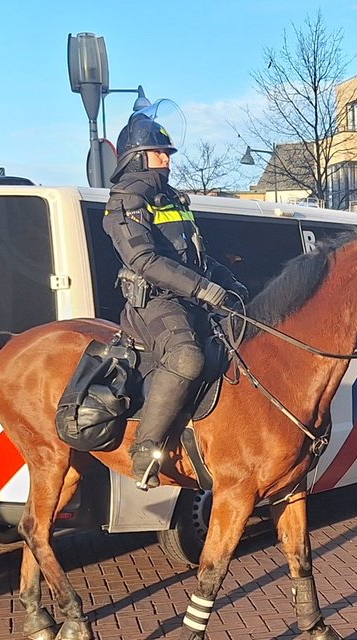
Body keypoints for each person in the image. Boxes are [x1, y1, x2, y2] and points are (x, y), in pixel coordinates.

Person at [103, 111, 248, 489]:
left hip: (189, 297)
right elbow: (144, 260)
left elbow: (196, 256)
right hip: (156, 301)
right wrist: (202, 289)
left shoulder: (171, 198)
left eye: (167, 152)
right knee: (186, 357)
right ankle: (145, 449)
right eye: (159, 152)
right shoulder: (127, 200)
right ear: (136, 157)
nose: (167, 159)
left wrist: (230, 284)